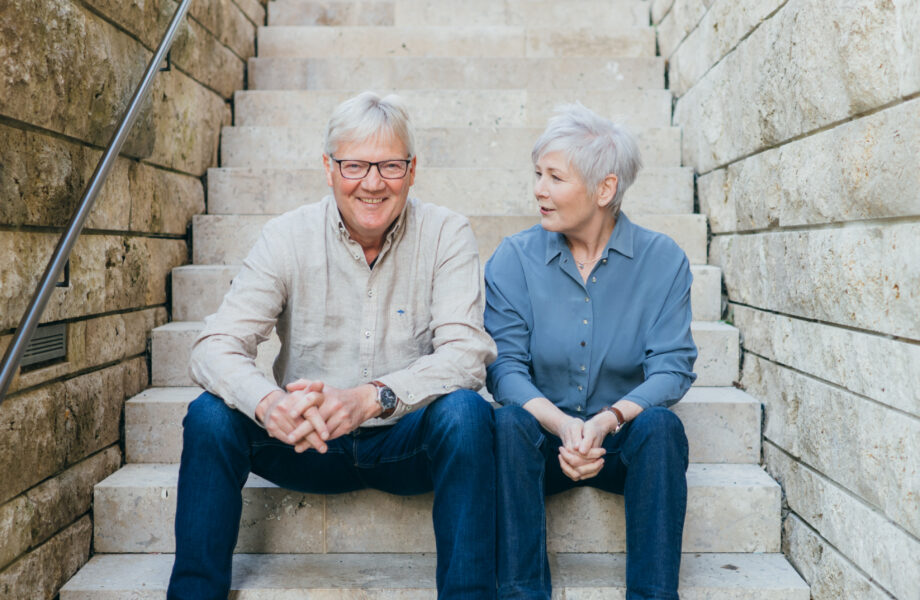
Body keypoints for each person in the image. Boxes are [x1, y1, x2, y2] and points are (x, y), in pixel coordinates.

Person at [167, 92, 498, 600]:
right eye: (354, 165)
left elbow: (466, 355)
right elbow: (214, 346)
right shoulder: (286, 236)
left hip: (402, 440)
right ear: (328, 167)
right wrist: (269, 403)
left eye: (389, 165)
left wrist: (369, 397)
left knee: (468, 413)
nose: (372, 182)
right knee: (210, 415)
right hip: (305, 440)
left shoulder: (446, 233)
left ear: (412, 170)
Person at [484, 103, 697, 600]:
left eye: (555, 177)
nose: (539, 189)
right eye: (538, 174)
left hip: (618, 442)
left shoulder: (662, 260)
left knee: (662, 428)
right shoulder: (513, 258)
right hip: (540, 441)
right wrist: (560, 425)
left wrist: (606, 421)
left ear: (605, 189)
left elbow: (672, 367)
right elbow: (504, 369)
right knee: (505, 424)